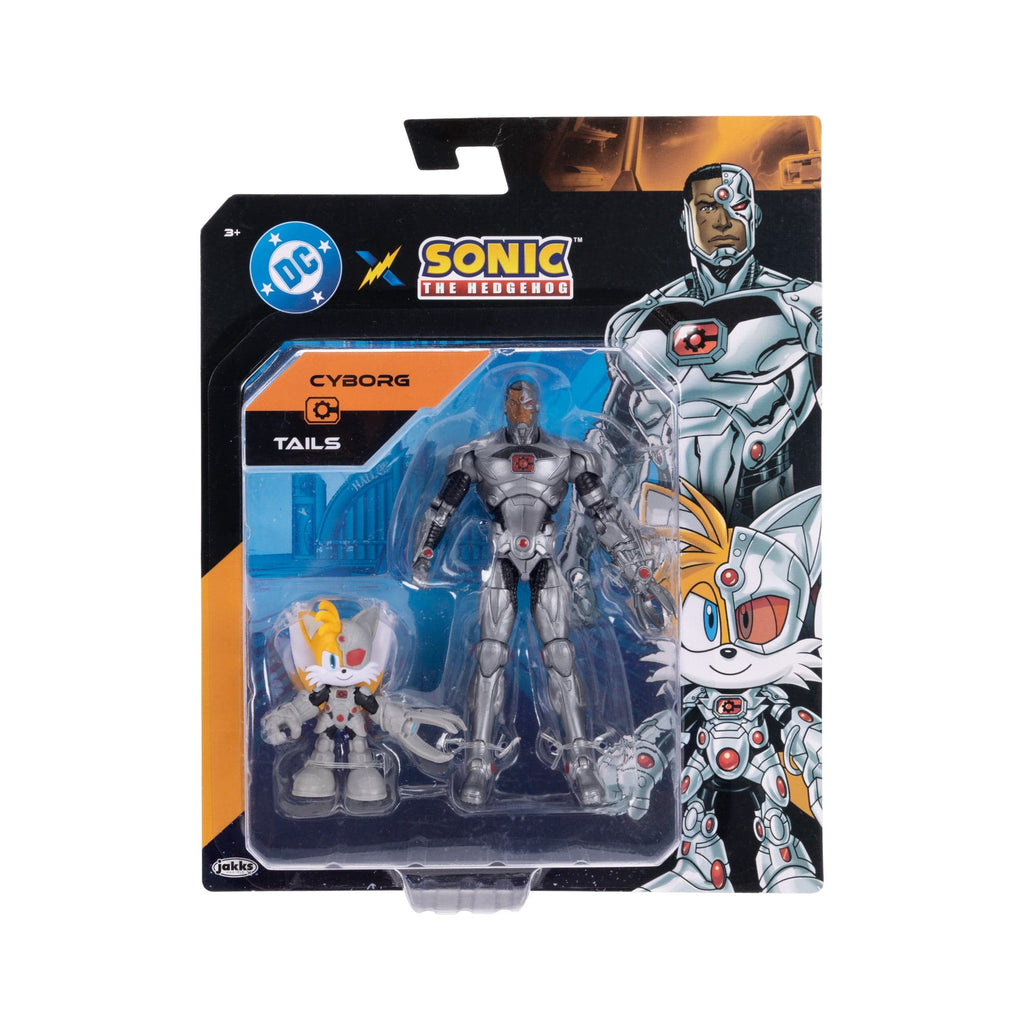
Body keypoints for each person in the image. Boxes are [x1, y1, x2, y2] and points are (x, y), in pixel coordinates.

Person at [413, 378, 670, 806]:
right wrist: (425, 552)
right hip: (502, 561)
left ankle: (582, 762)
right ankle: (478, 762)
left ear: (538, 407)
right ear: (506, 406)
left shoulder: (568, 455)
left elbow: (603, 514)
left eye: (529, 402)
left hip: (546, 561)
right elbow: (443, 507)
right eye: (516, 402)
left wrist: (636, 576)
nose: (523, 409)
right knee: (490, 657)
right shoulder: (476, 454)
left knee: (561, 658)